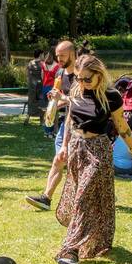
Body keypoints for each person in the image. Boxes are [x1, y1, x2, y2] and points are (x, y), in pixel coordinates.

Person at [54, 54, 132, 264]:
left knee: (84, 197)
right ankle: (88, 239)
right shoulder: (76, 90)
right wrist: (64, 146)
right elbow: (69, 120)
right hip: (77, 147)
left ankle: (71, 250)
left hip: (99, 150)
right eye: (79, 78)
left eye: (87, 79)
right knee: (80, 196)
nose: (82, 83)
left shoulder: (111, 96)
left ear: (98, 75)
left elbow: (121, 125)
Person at [24, 40, 77, 211]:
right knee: (60, 159)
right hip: (67, 122)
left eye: (62, 56)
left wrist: (63, 99)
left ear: (72, 54)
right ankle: (46, 198)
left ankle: (96, 195)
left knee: (72, 162)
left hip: (82, 124)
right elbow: (66, 100)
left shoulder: (82, 74)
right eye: (57, 56)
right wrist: (55, 104)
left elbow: (85, 102)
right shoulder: (61, 72)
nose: (59, 59)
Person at [26, 53, 45, 119]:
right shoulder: (42, 63)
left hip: (32, 86)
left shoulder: (30, 63)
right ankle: (41, 120)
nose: (44, 56)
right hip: (39, 85)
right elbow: (43, 76)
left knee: (31, 102)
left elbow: (28, 75)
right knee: (40, 102)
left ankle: (28, 117)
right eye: (43, 55)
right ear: (40, 55)